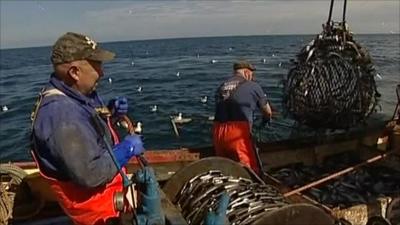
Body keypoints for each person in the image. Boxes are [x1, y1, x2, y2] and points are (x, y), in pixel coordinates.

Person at [30, 32, 144, 225]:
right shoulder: (62, 116)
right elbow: (90, 174)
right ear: (74, 72)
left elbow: (87, 125)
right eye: (97, 65)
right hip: (97, 211)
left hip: (108, 191)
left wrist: (110, 112)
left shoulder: (74, 92)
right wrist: (127, 149)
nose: (102, 73)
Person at [213, 61, 272, 174]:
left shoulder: (221, 87)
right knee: (249, 171)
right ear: (246, 72)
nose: (252, 77)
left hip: (217, 132)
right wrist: (266, 119)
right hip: (237, 133)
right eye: (252, 74)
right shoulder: (253, 86)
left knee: (225, 170)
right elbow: (267, 112)